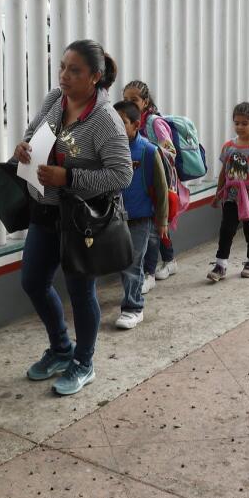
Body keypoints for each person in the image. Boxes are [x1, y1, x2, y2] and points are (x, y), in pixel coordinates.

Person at [13, 39, 131, 395]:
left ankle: (84, 361)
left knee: (81, 291)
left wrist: (70, 178)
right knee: (33, 281)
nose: (64, 75)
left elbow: (122, 174)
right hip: (44, 210)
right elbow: (34, 131)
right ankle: (61, 348)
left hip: (82, 219)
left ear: (95, 77)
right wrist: (22, 146)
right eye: (62, 66)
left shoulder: (105, 120)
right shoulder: (55, 99)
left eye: (74, 70)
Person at [121, 80, 187, 289]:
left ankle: (149, 273)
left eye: (134, 100)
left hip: (157, 182)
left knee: (155, 227)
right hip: (139, 183)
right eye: (125, 100)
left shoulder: (153, 123)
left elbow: (170, 151)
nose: (129, 103)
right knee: (154, 229)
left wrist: (150, 152)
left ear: (145, 101)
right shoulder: (126, 121)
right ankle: (169, 260)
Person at [111, 100, 168, 329]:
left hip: (141, 218)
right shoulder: (108, 150)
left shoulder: (148, 151)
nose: (116, 127)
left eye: (122, 122)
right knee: (123, 262)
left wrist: (162, 221)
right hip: (114, 219)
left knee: (133, 263)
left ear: (136, 125)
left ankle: (133, 308)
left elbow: (162, 189)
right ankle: (131, 297)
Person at [207, 102, 249, 282]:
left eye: (245, 123)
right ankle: (220, 264)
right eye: (237, 123)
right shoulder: (228, 146)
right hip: (231, 196)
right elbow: (223, 172)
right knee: (227, 229)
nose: (240, 127)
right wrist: (218, 194)